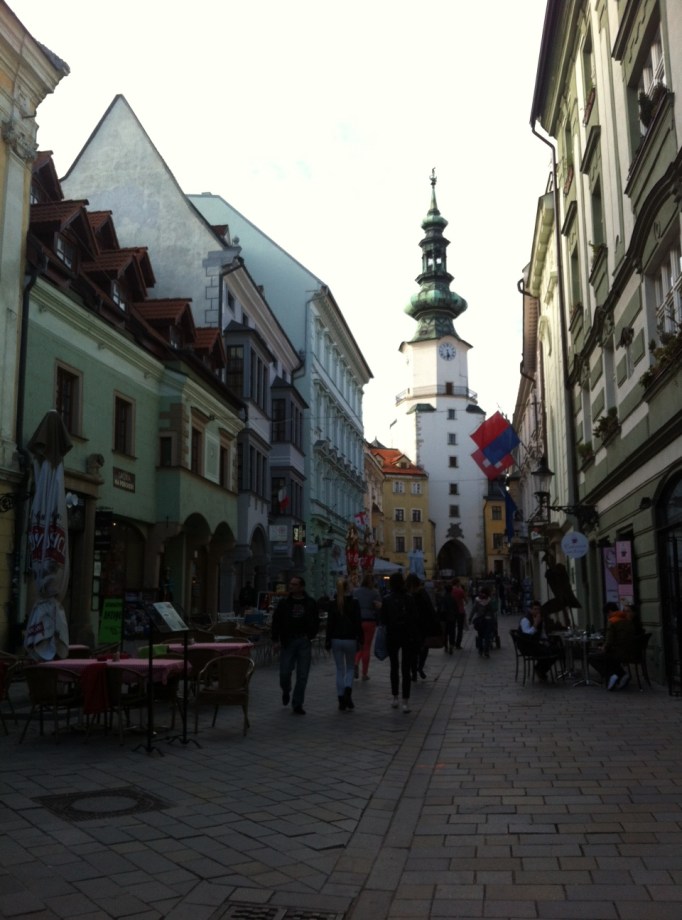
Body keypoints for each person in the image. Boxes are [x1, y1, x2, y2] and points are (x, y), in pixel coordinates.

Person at [271, 576, 319, 714]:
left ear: (301, 587)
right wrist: (275, 640)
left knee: (302, 675)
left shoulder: (310, 603)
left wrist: (311, 634)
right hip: (288, 641)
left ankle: (297, 704)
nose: (291, 586)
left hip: (304, 641)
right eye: (290, 584)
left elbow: (316, 620)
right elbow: (277, 621)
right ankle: (286, 690)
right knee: (284, 672)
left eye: (294, 584)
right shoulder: (284, 603)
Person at [381, 571, 420, 713]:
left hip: (392, 635)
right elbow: (415, 618)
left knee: (394, 667)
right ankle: (405, 701)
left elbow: (383, 619)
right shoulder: (409, 598)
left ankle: (395, 698)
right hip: (407, 635)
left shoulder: (386, 599)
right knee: (406, 668)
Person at [326, 578, 363, 711]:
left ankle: (341, 698)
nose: (353, 587)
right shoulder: (354, 602)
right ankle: (348, 690)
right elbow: (358, 623)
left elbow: (330, 623)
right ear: (348, 588)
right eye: (352, 585)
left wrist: (327, 640)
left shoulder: (333, 603)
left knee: (339, 669)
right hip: (350, 639)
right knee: (350, 668)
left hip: (336, 639)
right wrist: (361, 639)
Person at [588, 602, 639, 690]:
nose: (607, 616)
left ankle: (610, 675)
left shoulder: (612, 621)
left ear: (610, 611)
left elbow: (609, 640)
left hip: (618, 652)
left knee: (591, 657)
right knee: (607, 656)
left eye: (607, 614)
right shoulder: (626, 619)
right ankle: (622, 674)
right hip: (629, 651)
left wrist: (604, 648)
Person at [405, 573, 440, 680]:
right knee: (423, 649)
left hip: (415, 626)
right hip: (423, 626)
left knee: (414, 650)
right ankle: (419, 668)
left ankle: (415, 671)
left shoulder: (412, 595)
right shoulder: (422, 593)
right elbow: (430, 610)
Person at [519, 600, 560, 682]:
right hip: (527, 646)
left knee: (556, 650)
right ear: (530, 610)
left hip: (537, 644)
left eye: (538, 609)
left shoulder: (541, 619)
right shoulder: (525, 620)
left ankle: (540, 669)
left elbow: (542, 633)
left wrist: (547, 642)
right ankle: (540, 670)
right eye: (535, 609)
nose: (537, 611)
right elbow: (527, 634)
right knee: (546, 653)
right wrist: (535, 624)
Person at [353, 572, 382, 680]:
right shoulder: (375, 592)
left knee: (359, 644)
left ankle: (355, 662)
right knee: (367, 647)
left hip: (358, 620)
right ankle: (364, 673)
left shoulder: (355, 592)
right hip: (370, 620)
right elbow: (378, 606)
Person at [469, 588, 497, 658]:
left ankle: (480, 650)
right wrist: (494, 621)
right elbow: (492, 612)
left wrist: (470, 618)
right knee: (487, 636)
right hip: (488, 620)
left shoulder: (477, 601)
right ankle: (486, 651)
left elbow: (473, 610)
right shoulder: (489, 601)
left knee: (480, 636)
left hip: (480, 620)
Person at [450, 578, 467, 650]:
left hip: (452, 611)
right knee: (460, 629)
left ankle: (452, 643)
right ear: (457, 583)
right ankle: (458, 644)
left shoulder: (450, 590)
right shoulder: (460, 591)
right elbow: (466, 600)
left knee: (452, 628)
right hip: (460, 611)